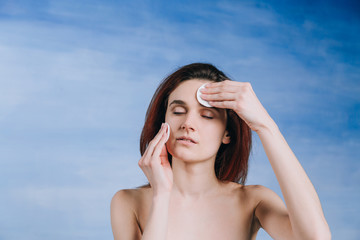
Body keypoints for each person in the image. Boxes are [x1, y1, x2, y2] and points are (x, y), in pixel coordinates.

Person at [110, 63, 331, 240]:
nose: (188, 123)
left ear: (228, 134)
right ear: (162, 122)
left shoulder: (253, 201)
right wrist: (161, 195)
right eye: (178, 111)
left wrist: (265, 126)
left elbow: (315, 238)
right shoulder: (127, 202)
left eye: (207, 115)